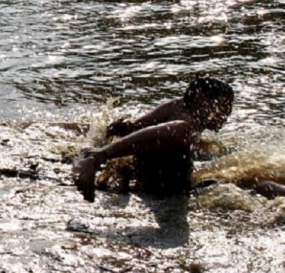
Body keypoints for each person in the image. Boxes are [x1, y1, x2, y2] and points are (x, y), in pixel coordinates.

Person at [72, 76, 235, 202]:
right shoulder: (182, 125)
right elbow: (139, 129)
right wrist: (100, 155)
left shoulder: (192, 119)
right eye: (224, 106)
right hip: (156, 187)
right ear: (201, 100)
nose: (227, 113)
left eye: (230, 106)